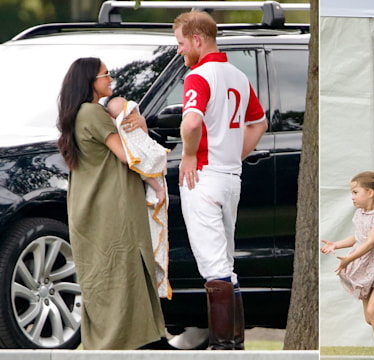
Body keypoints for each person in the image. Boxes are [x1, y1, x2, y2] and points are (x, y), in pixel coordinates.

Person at [173, 11, 268, 350]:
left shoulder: (199, 76)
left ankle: (223, 347)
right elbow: (259, 124)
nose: (180, 51)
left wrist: (188, 154)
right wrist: (232, 153)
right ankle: (234, 344)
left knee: (215, 267)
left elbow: (190, 123)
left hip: (203, 177)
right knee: (227, 264)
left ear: (197, 40)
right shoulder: (238, 75)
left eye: (182, 44)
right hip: (230, 177)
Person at [56, 57, 166, 349]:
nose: (110, 79)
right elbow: (128, 154)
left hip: (91, 209)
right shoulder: (92, 113)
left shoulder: (79, 114)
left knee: (106, 276)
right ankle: (130, 343)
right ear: (89, 81)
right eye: (105, 75)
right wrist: (155, 179)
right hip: (110, 210)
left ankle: (127, 342)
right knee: (121, 273)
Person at [321, 171, 374, 347]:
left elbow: (371, 243)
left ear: (370, 193)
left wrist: (349, 259)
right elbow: (358, 237)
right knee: (370, 317)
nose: (352, 197)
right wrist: (336, 244)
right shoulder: (359, 214)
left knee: (373, 309)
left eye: (355, 192)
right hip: (366, 271)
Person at [106, 96, 171, 299]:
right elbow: (139, 159)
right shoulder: (120, 131)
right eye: (128, 113)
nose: (133, 116)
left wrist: (142, 126)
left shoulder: (134, 126)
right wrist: (157, 186)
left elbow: (146, 149)